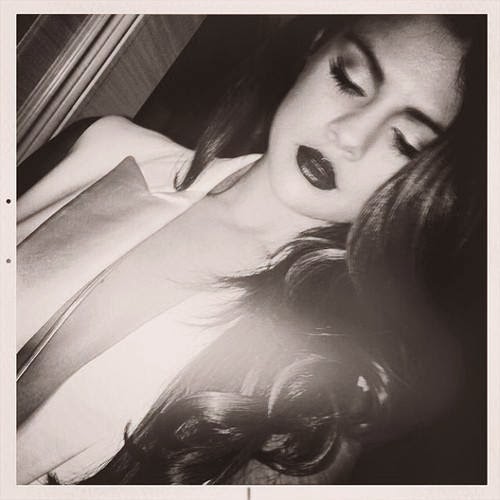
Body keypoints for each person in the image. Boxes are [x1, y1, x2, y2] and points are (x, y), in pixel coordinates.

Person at [16, 14, 486, 485]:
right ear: (317, 45)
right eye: (350, 79)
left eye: (405, 142)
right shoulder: (102, 146)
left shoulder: (321, 391)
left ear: (433, 185)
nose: (349, 135)